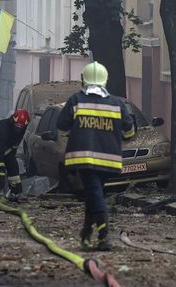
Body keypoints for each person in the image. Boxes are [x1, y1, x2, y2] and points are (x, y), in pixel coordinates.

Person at [57, 61, 135, 251]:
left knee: (95, 195)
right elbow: (129, 132)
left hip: (83, 159)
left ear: (84, 80)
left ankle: (103, 236)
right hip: (109, 160)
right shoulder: (117, 104)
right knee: (95, 193)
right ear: (105, 80)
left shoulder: (76, 100)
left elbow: (62, 125)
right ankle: (86, 232)